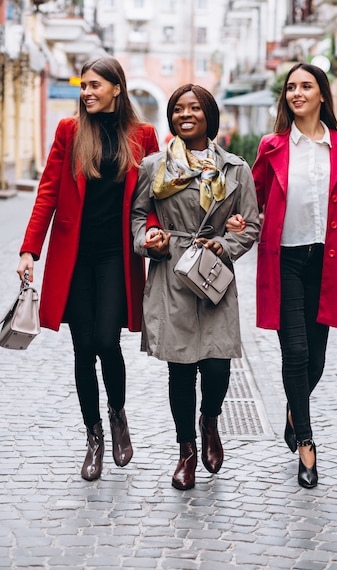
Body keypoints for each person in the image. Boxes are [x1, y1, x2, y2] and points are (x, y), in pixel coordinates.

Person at [17, 56, 160, 481]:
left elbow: (154, 199)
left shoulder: (142, 136)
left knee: (105, 340)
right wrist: (30, 250)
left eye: (96, 85)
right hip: (74, 256)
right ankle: (93, 436)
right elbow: (47, 193)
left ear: (117, 87)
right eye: (84, 86)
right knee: (82, 349)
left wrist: (152, 232)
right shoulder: (69, 131)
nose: (87, 92)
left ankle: (117, 414)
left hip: (118, 255)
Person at [131, 83, 260, 490]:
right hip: (172, 273)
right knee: (181, 369)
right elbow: (137, 217)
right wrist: (149, 240)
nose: (184, 115)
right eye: (177, 110)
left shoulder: (235, 168)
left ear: (209, 116)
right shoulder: (154, 167)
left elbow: (251, 224)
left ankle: (210, 421)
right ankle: (186, 450)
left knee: (218, 365)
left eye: (193, 109)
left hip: (214, 275)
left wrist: (224, 243)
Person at [251, 63, 337, 488]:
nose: (297, 93)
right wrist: (241, 223)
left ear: (322, 94)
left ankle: (291, 411)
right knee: (295, 353)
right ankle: (307, 443)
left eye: (306, 86)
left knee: (316, 359)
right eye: (291, 87)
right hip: (285, 261)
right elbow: (254, 200)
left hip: (329, 261)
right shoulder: (272, 146)